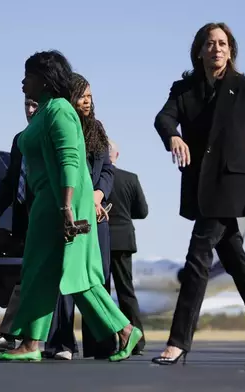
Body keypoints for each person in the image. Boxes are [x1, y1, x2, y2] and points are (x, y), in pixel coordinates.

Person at [151, 22, 245, 366]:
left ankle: (179, 341)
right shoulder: (184, 89)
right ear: (199, 50)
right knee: (236, 263)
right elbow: (163, 118)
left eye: (223, 44)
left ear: (231, 51)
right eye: (211, 43)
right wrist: (174, 136)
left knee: (198, 257)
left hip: (232, 184)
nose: (217, 49)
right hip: (200, 185)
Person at [0, 50, 142, 362]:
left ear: (45, 80)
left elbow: (70, 160)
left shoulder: (59, 110)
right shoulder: (46, 110)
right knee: (46, 272)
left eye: (29, 75)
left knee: (67, 273)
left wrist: (67, 207)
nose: (23, 82)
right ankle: (120, 331)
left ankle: (35, 344)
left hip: (63, 201)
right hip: (49, 201)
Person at [45, 73, 116, 360]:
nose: (87, 101)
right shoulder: (62, 126)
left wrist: (99, 195)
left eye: (90, 96)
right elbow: (68, 169)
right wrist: (83, 200)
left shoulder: (97, 129)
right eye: (82, 96)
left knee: (98, 277)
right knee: (67, 278)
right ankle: (62, 344)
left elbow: (108, 170)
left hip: (97, 216)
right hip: (73, 212)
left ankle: (101, 343)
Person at [0, 96, 38, 352]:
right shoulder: (20, 139)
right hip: (26, 222)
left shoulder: (53, 137)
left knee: (78, 285)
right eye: (27, 105)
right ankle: (13, 336)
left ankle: (121, 330)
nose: (31, 111)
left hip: (51, 218)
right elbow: (12, 179)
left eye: (35, 105)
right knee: (30, 278)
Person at [106, 139, 149, 355]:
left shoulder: (93, 178)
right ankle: (137, 342)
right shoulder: (131, 179)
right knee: (126, 291)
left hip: (100, 240)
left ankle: (104, 343)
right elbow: (142, 212)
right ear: (117, 154)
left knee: (102, 293)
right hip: (124, 240)